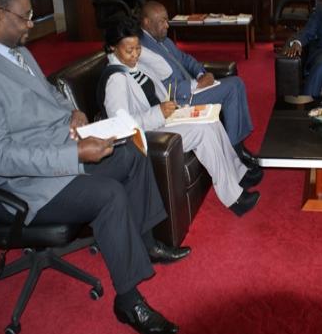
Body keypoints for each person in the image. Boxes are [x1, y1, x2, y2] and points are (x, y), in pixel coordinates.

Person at [0, 0, 190, 334]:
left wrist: (72, 112)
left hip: (60, 148)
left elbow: (49, 95)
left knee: (131, 153)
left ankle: (147, 243)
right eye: (25, 17)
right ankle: (128, 302)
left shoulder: (17, 50)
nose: (31, 25)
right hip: (22, 185)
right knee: (109, 195)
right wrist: (73, 153)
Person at [99, 17, 261, 216]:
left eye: (138, 48)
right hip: (145, 135)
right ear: (112, 48)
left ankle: (238, 174)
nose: (135, 55)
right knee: (203, 132)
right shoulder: (115, 79)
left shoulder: (133, 65)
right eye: (129, 50)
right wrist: (157, 113)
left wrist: (137, 47)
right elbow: (121, 127)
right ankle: (234, 198)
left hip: (162, 119)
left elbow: (163, 68)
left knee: (211, 120)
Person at [138, 1, 258, 167]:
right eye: (162, 21)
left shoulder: (162, 39)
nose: (167, 25)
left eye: (167, 20)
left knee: (236, 85)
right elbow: (163, 88)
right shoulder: (141, 49)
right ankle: (234, 154)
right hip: (180, 100)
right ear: (146, 22)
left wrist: (201, 74)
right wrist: (196, 84)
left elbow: (185, 59)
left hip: (193, 88)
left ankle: (237, 148)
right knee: (233, 86)